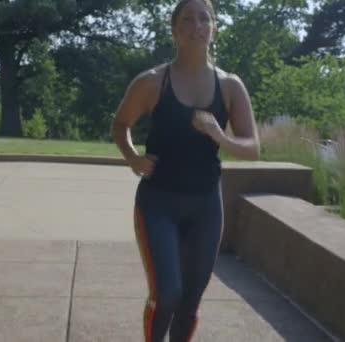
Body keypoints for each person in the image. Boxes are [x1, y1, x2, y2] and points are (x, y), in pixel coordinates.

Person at [111, 0, 260, 341]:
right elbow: (120, 125)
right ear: (175, 30)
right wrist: (133, 157)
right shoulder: (152, 82)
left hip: (206, 205)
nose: (197, 25)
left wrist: (219, 135)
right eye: (188, 19)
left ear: (215, 28)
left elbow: (252, 147)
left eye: (204, 18)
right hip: (157, 203)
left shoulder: (230, 86)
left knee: (190, 299)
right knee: (167, 293)